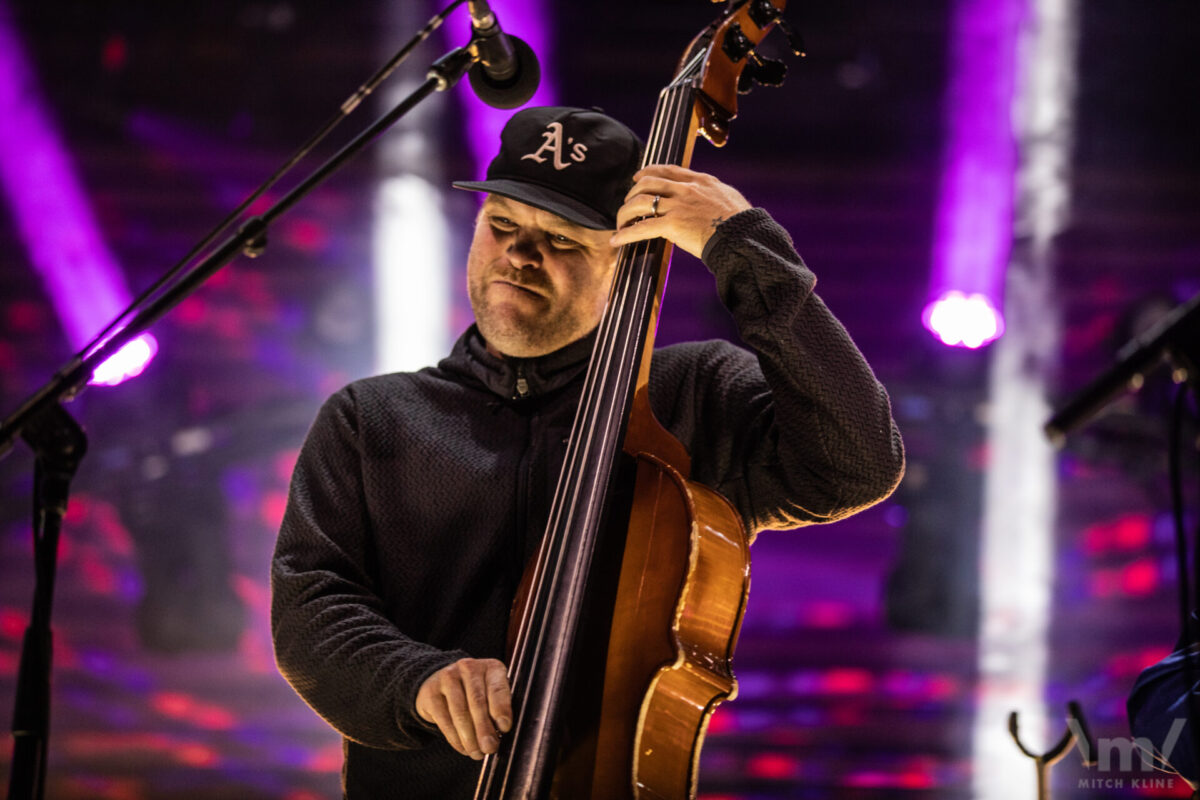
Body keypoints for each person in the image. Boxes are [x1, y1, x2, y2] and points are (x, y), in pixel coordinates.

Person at [271, 105, 905, 798]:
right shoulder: (372, 419)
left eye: (562, 241)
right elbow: (312, 607)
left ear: (628, 260)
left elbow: (858, 462)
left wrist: (745, 249)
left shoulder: (694, 394)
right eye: (503, 226)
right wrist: (415, 679)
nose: (519, 254)